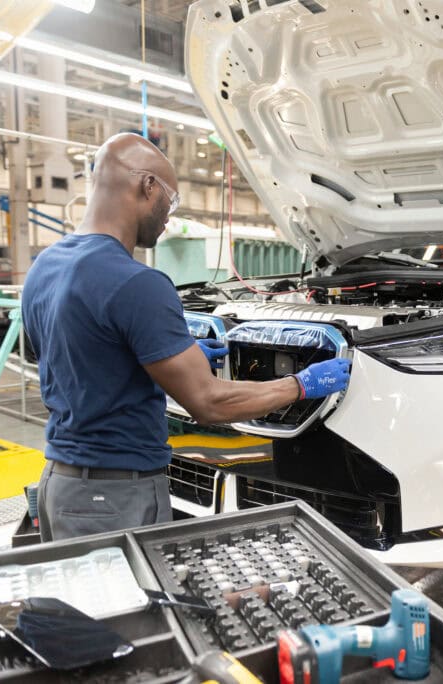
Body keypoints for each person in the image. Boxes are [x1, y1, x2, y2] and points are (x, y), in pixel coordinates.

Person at [22, 133, 351, 541]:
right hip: (115, 498)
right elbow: (209, 403)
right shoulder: (138, 284)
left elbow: (72, 358)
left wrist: (154, 356)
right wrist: (300, 385)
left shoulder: (44, 267)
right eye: (171, 201)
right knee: (135, 604)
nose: (168, 217)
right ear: (147, 187)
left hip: (62, 484)